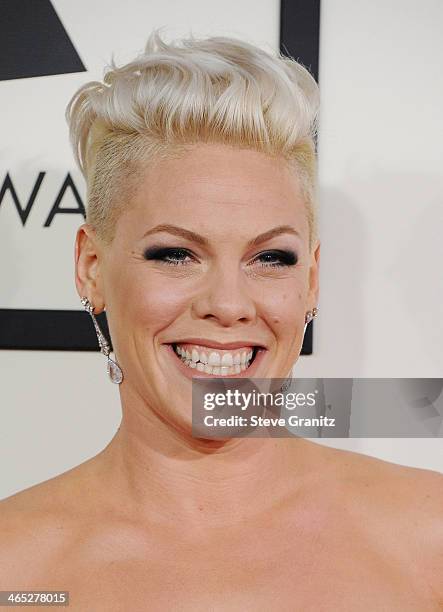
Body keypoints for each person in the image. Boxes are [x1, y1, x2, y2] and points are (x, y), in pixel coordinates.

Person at [1, 29, 442, 611]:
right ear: (90, 267)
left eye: (270, 258)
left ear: (310, 279)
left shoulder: (428, 536)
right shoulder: (16, 564)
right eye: (175, 254)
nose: (229, 304)